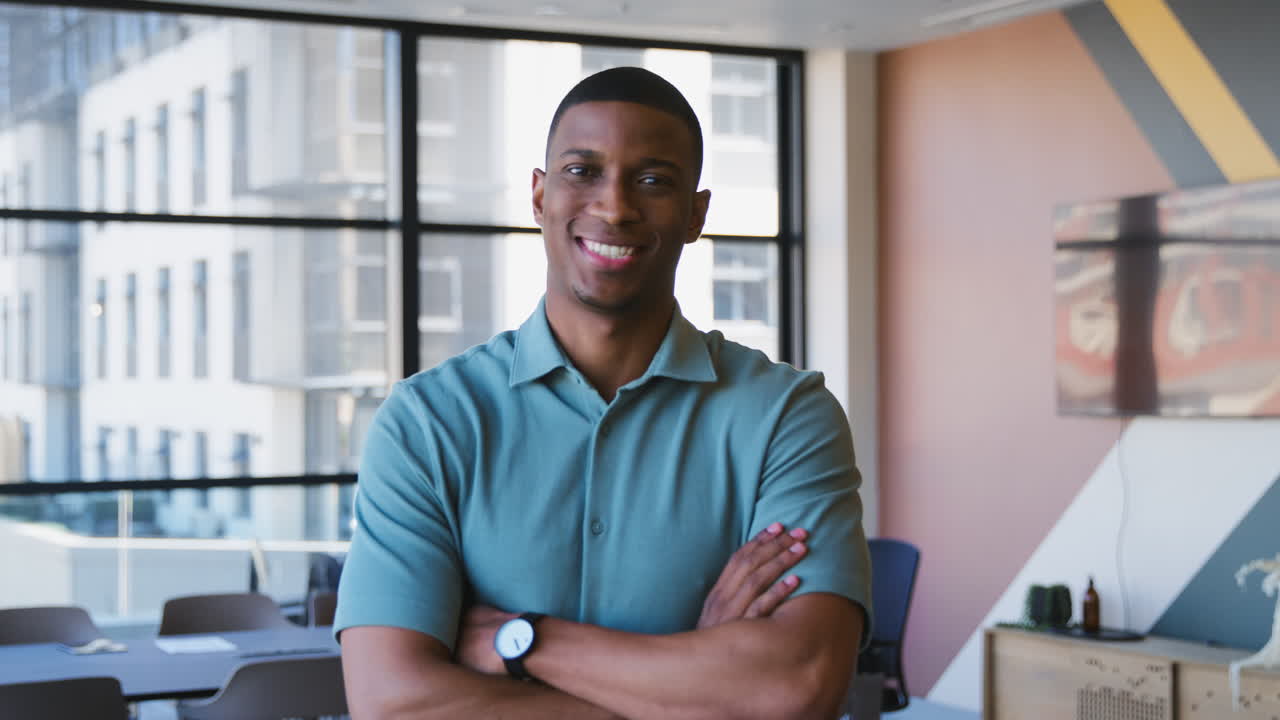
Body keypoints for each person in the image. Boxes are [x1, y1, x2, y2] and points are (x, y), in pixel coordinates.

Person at [335, 66, 872, 720]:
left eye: (653, 180)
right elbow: (393, 704)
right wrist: (695, 687)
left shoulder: (787, 417)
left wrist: (524, 643)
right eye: (582, 171)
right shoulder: (428, 423)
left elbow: (796, 686)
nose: (615, 206)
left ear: (697, 214)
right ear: (539, 197)